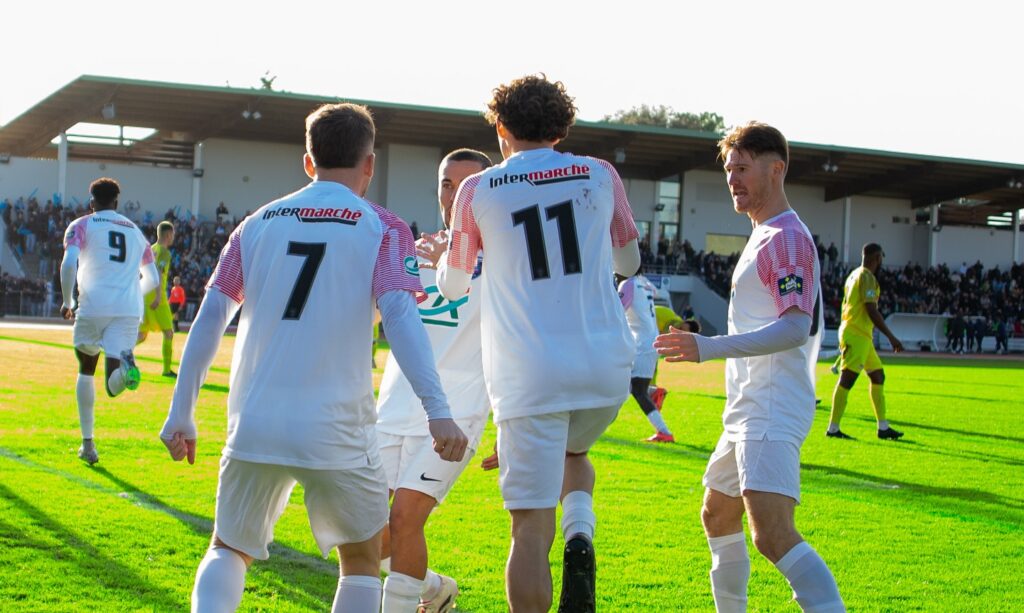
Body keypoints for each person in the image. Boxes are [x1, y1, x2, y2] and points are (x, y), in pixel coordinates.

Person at [157, 103, 468, 613]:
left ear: (308, 161)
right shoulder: (384, 227)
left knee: (228, 548)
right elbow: (401, 319)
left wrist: (181, 411)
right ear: (370, 163)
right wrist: (437, 410)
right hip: (336, 423)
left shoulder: (255, 225)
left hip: (256, 419)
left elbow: (211, 318)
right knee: (362, 561)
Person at [437, 75, 641, 613]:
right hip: (604, 366)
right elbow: (630, 263)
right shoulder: (601, 174)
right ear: (561, 125)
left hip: (528, 374)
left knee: (528, 532)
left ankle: (565, 538)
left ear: (501, 127)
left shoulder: (476, 189)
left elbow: (454, 285)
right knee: (575, 450)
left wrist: (446, 255)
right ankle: (580, 532)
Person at [654, 122, 844, 613]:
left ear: (775, 168)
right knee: (717, 514)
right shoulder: (766, 235)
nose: (732, 179)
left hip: (772, 408)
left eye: (742, 168)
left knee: (774, 535)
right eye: (728, 170)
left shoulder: (784, 239)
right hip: (748, 410)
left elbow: (794, 328)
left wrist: (709, 347)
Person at [376, 148, 493, 613]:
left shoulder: (508, 265)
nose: (454, 195)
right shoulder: (411, 252)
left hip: (456, 414)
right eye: (447, 183)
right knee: (368, 536)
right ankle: (436, 589)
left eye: (467, 186)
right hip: (392, 407)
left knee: (405, 518)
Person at [60, 177, 159, 464]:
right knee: (112, 384)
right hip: (128, 310)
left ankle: (88, 444)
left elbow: (68, 264)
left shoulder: (81, 225)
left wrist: (69, 303)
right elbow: (152, 279)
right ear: (116, 203)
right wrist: (132, 294)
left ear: (91, 203)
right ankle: (126, 370)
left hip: (93, 305)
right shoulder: (136, 232)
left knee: (87, 369)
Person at [826, 243, 905, 440]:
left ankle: (883, 427)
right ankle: (833, 428)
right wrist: (891, 336)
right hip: (857, 335)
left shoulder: (854, 275)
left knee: (878, 376)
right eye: (881, 258)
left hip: (861, 335)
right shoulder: (867, 277)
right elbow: (871, 309)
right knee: (847, 379)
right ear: (876, 257)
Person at [617, 273, 675, 442]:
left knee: (637, 390)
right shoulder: (644, 282)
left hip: (642, 343)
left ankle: (664, 432)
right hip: (647, 340)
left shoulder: (627, 284)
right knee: (624, 382)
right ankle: (654, 392)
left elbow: (617, 312)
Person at [137, 221, 177, 376]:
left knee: (141, 335)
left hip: (145, 294)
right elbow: (158, 274)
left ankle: (120, 353)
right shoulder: (165, 253)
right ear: (168, 235)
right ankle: (166, 370)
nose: (173, 237)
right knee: (169, 333)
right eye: (172, 234)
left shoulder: (150, 249)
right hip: (156, 297)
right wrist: (159, 296)